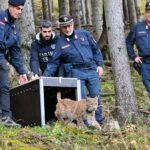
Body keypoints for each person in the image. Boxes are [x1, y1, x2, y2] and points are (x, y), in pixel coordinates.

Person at [43, 14, 104, 126]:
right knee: (81, 100)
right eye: (64, 27)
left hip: (91, 69)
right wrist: (44, 76)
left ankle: (98, 122)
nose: (67, 29)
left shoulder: (84, 34)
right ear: (61, 28)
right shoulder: (60, 43)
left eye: (69, 25)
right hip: (76, 72)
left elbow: (96, 50)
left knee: (95, 96)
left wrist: (100, 65)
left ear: (73, 24)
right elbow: (53, 62)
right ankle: (84, 123)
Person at [0, 0, 28, 127]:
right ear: (10, 6)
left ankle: (6, 117)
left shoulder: (15, 29)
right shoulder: (0, 18)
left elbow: (15, 53)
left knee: (4, 87)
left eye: (21, 9)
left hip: (1, 58)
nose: (20, 12)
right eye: (17, 8)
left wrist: (22, 72)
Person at [126, 2, 150, 97]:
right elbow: (128, 42)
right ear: (145, 13)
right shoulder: (138, 27)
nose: (149, 14)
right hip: (145, 64)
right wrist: (133, 56)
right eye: (148, 11)